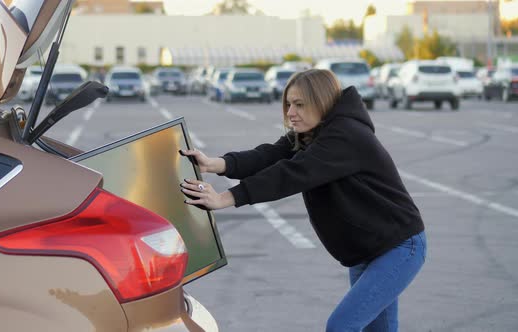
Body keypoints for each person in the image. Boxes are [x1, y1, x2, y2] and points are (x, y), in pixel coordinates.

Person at [180, 68, 426, 331]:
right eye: (288, 104)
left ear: (321, 101)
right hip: (367, 251)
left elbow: (293, 174)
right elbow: (270, 156)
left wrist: (226, 198)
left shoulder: (345, 136)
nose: (290, 113)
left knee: (341, 325)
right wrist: (216, 164)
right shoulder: (312, 133)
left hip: (399, 247)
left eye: (299, 104)